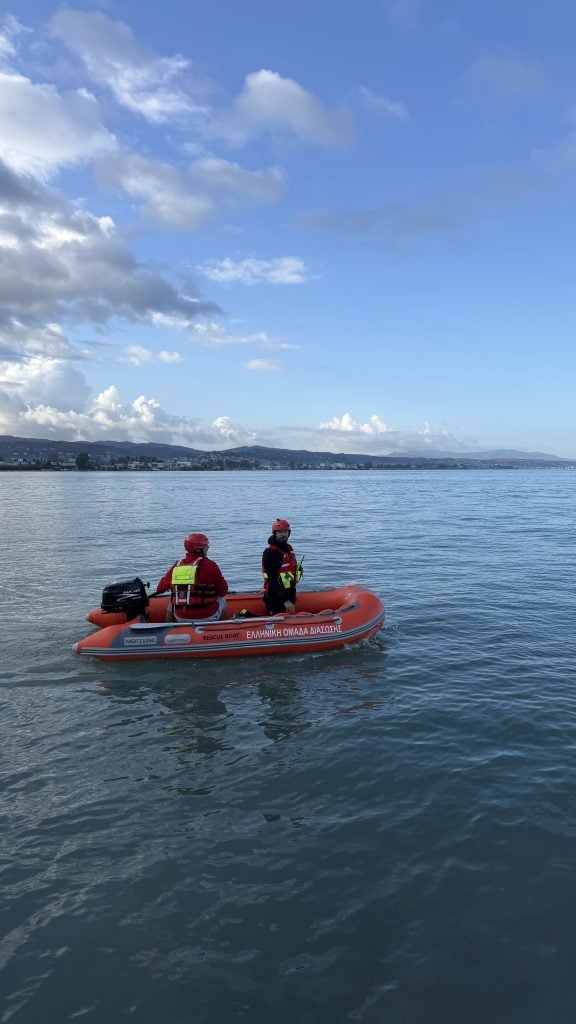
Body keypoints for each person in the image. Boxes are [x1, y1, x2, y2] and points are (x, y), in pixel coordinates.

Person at [156, 533, 228, 622]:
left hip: (181, 617)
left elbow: (159, 589)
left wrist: (172, 585)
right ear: (198, 549)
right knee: (222, 599)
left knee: (172, 600)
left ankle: (169, 629)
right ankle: (220, 629)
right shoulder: (210, 565)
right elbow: (223, 591)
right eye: (206, 547)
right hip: (207, 615)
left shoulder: (177, 566)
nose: (207, 549)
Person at [262, 518, 303, 616]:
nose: (283, 534)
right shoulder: (269, 553)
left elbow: (290, 570)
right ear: (274, 533)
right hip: (275, 597)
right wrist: (285, 601)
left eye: (285, 532)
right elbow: (272, 579)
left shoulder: (289, 549)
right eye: (280, 532)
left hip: (289, 594)